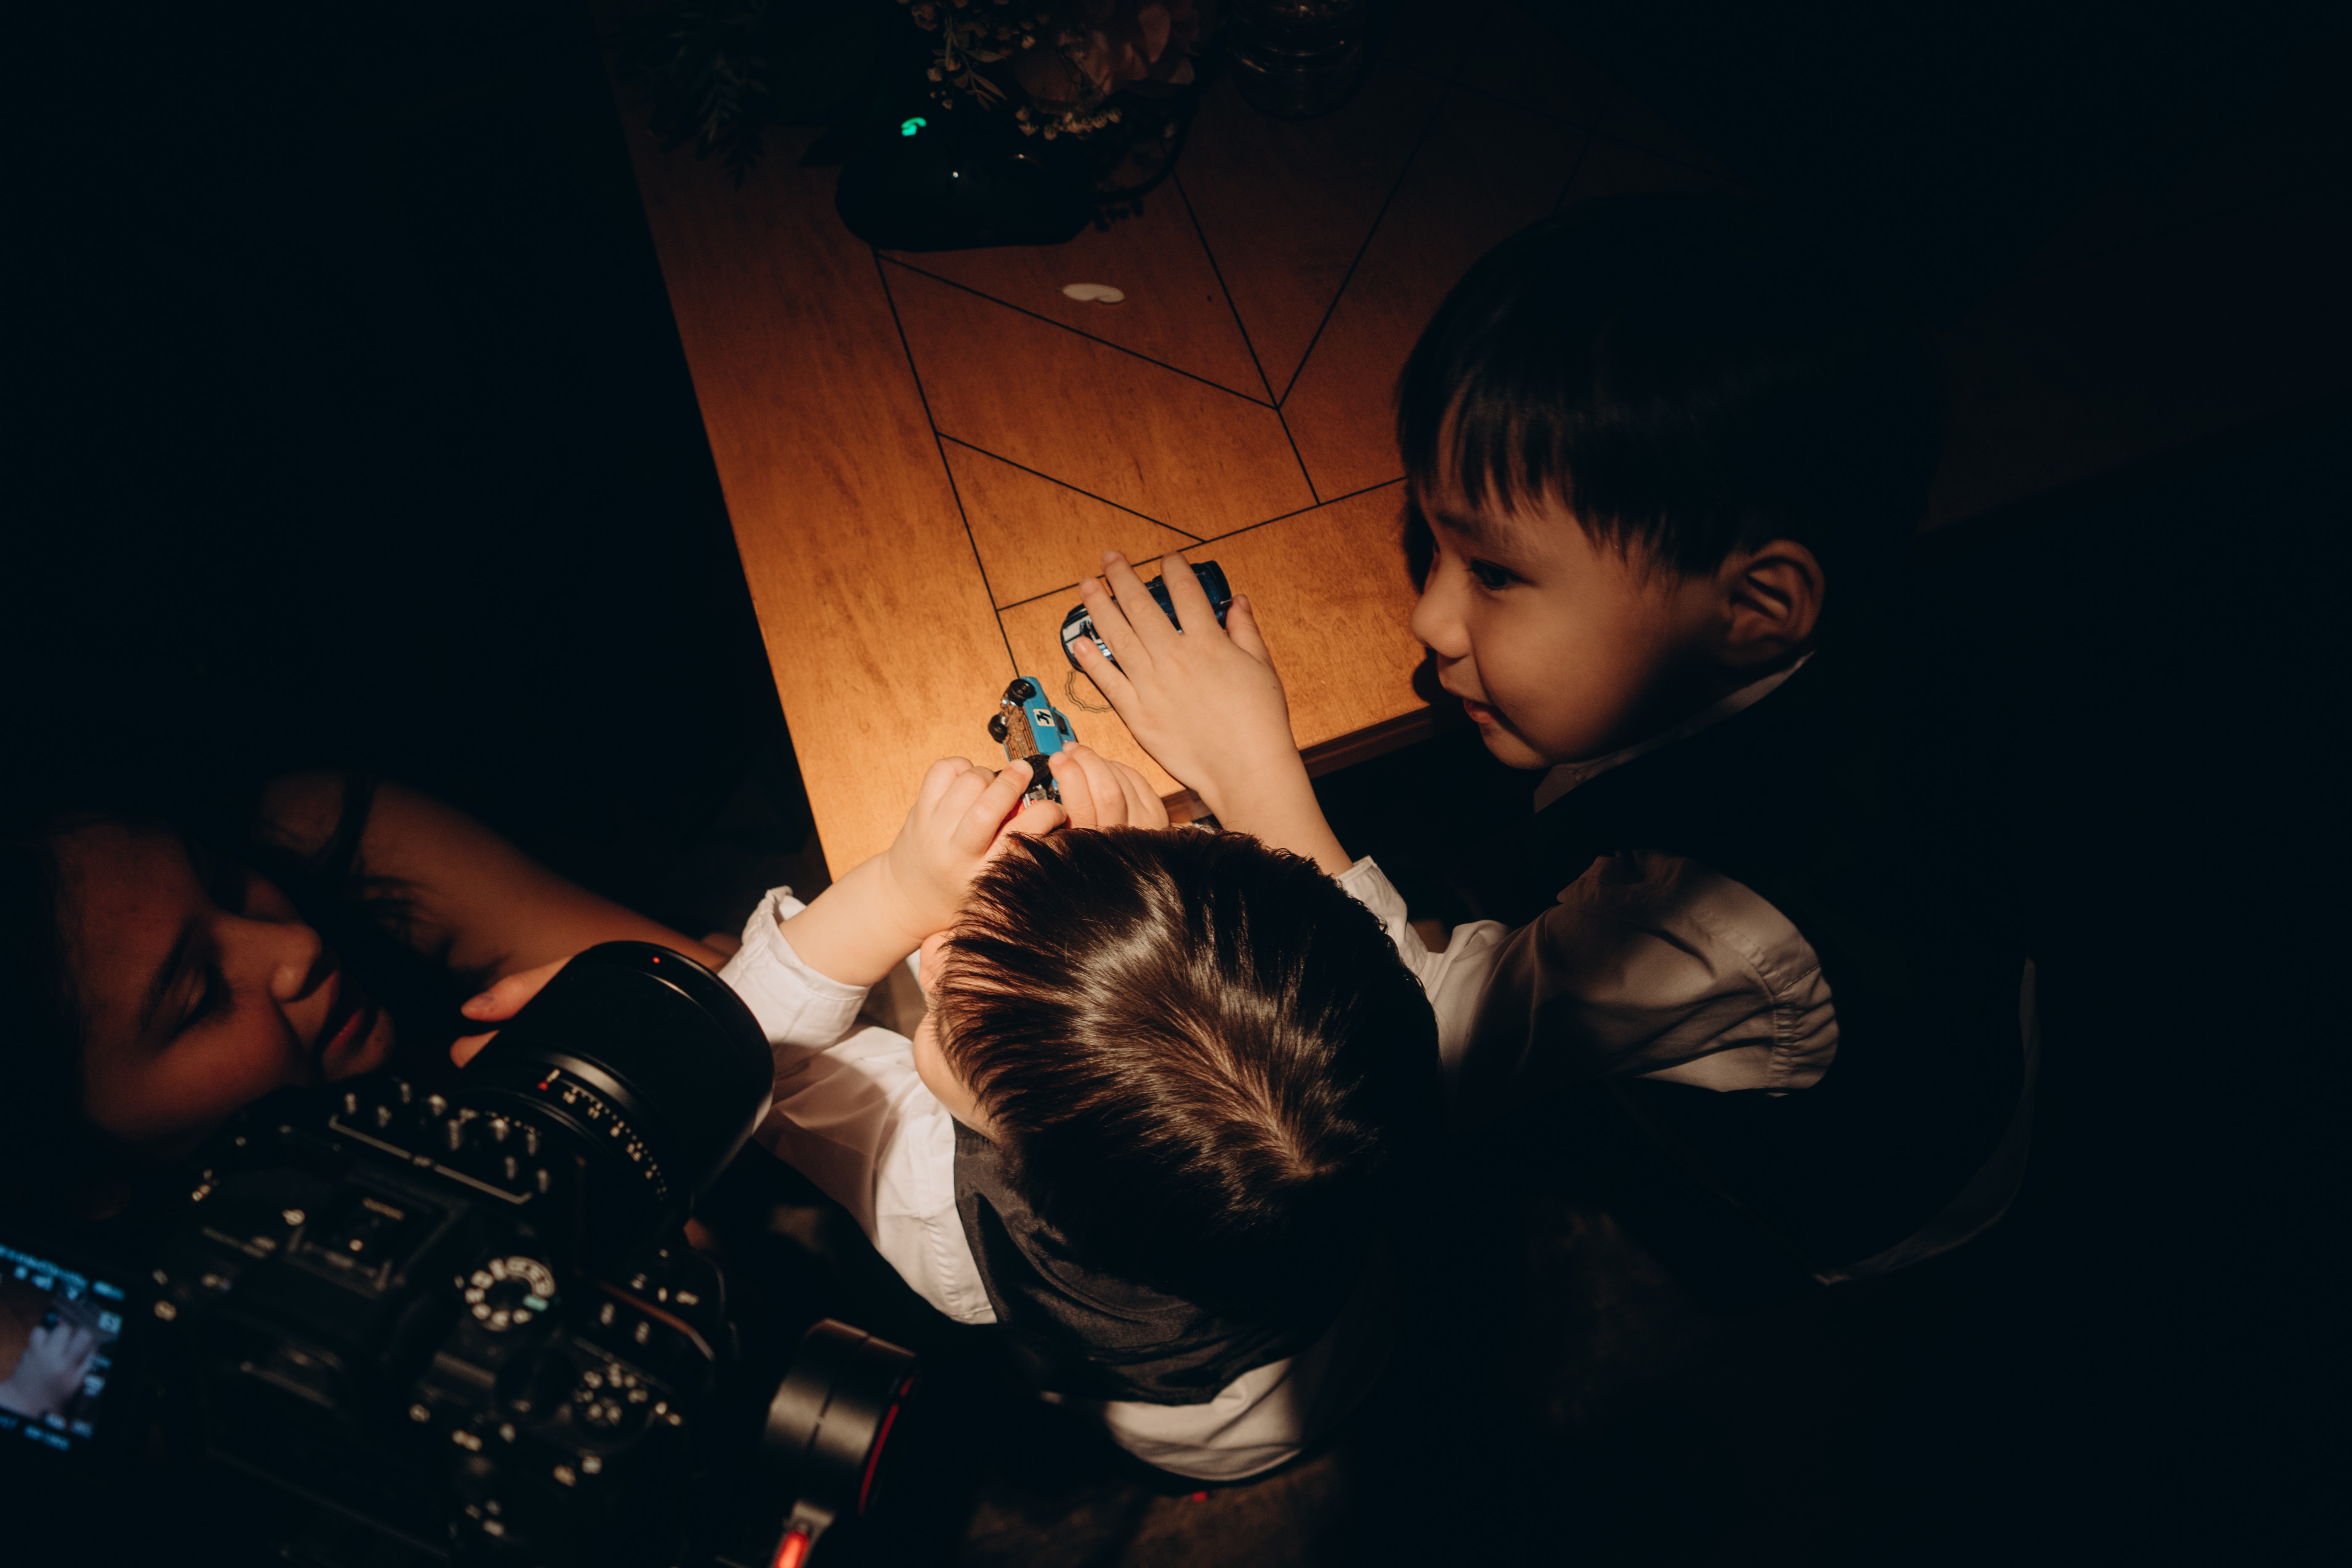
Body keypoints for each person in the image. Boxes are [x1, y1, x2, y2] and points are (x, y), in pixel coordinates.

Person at [1067, 193, 2036, 1297]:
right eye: (1431, 542)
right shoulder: (1840, 622)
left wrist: (1250, 770)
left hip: (1856, 1196)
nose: (1429, 620)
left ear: (1755, 607)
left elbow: (1415, 1054)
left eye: (1492, 571)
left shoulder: (1716, 915)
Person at [462, 744, 1441, 1481]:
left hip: (1188, 1432)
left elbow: (756, 1066)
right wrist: (1140, 877)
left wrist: (900, 892)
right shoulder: (1343, 1106)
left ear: (1020, 1160)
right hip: (1340, 1336)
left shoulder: (944, 1216)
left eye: (947, 1025)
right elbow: (1231, 998)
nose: (939, 955)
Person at [0, 770, 730, 1223]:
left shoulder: (319, 839)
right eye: (202, 996)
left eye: (224, 884)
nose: (298, 948)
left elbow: (735, 1018)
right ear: (89, 1183)